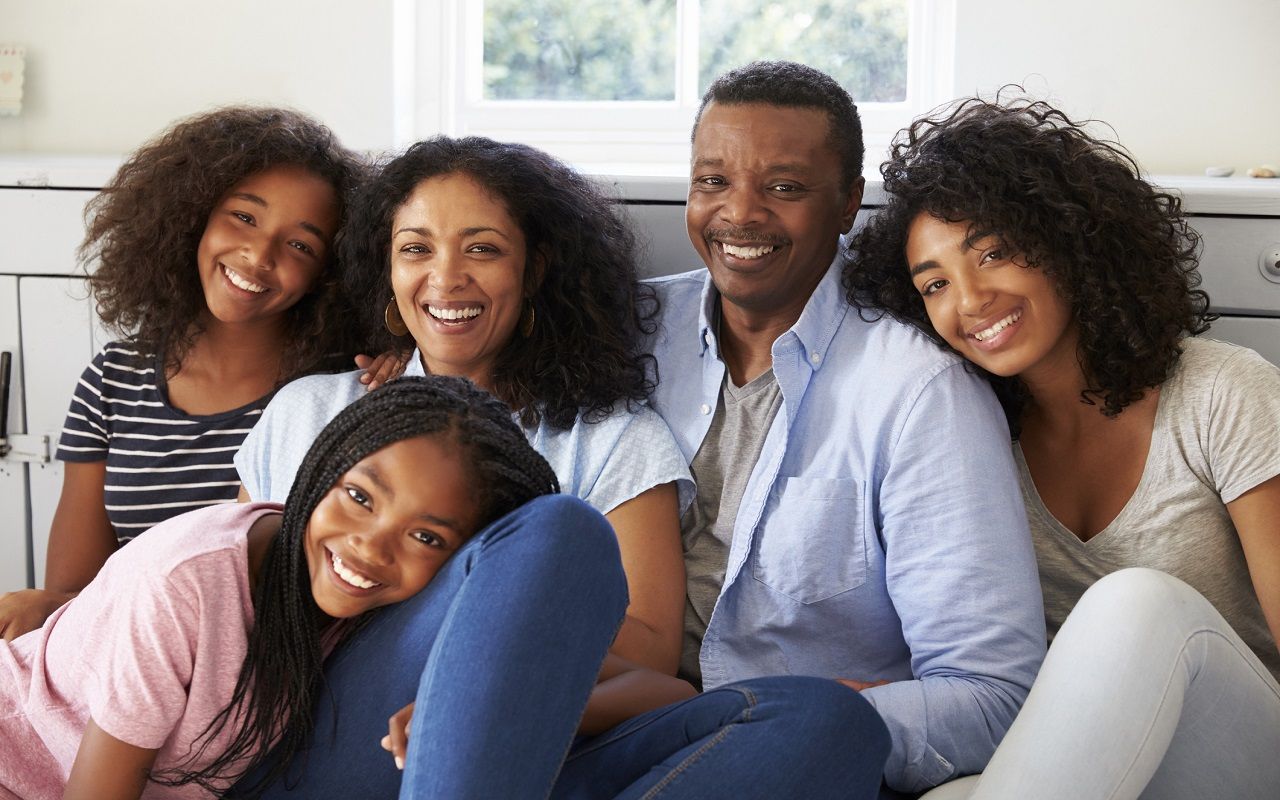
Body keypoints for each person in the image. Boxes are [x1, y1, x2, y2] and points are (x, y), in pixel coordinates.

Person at [237, 135, 890, 800]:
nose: (446, 276)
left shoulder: (611, 437)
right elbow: (232, 600)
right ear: (388, 266)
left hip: (540, 746)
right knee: (556, 533)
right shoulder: (311, 411)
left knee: (830, 720)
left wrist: (485, 689)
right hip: (338, 737)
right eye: (416, 248)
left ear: (534, 268)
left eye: (483, 248)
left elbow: (650, 655)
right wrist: (503, 633)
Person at [555, 61, 1048, 799]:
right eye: (713, 181)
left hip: (781, 754)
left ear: (849, 202)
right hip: (609, 722)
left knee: (814, 721)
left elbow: (991, 695)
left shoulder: (920, 393)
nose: (740, 214)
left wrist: (821, 714)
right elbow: (474, 359)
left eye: (784, 188)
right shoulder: (622, 332)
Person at [844, 96, 1280, 799]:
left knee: (1137, 602)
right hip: (1103, 760)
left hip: (1246, 749)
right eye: (935, 284)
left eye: (993, 251)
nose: (971, 299)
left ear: (1069, 238)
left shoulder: (1223, 393)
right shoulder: (976, 444)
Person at [0, 376, 630, 800]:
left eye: (427, 537)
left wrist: (471, 700)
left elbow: (662, 689)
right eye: (358, 497)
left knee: (729, 716)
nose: (370, 546)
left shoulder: (392, 598)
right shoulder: (187, 582)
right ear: (324, 468)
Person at [0, 107, 365, 640]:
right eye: (244, 216)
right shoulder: (113, 380)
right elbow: (74, 594)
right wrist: (39, 609)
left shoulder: (333, 396)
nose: (258, 254)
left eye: (300, 245)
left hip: (260, 668)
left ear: (328, 275)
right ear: (193, 215)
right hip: (129, 656)